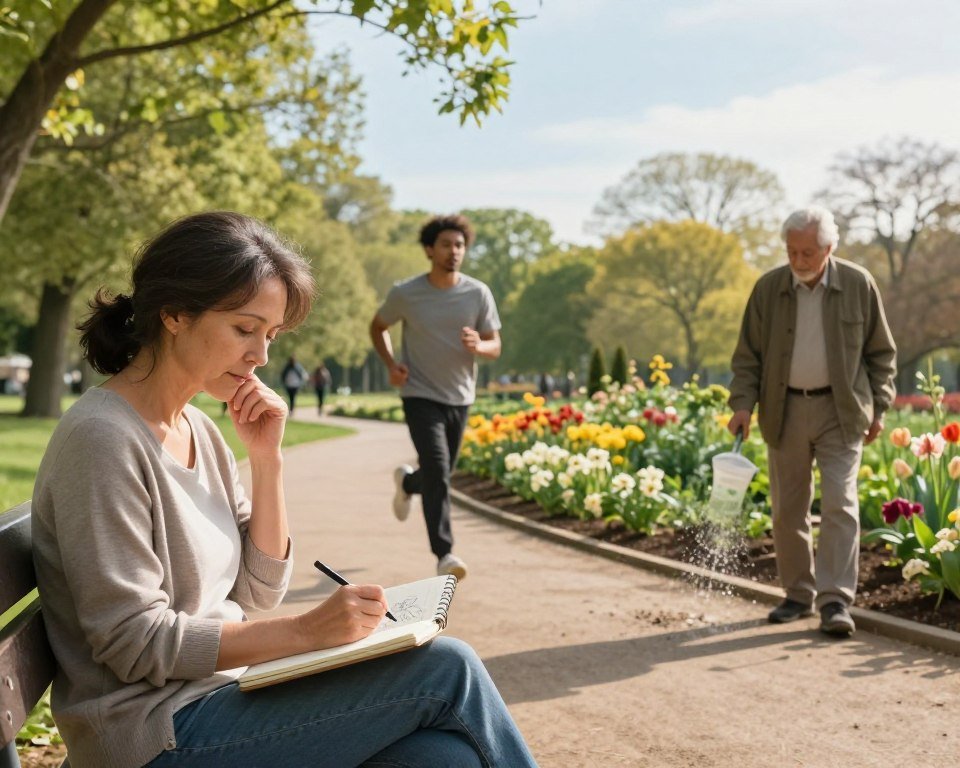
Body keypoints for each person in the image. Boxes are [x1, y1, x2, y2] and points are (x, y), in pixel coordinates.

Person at [31, 211, 537, 768]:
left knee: (444, 759)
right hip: (153, 737)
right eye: (244, 329)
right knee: (448, 667)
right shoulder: (103, 440)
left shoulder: (197, 428)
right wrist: (306, 632)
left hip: (224, 700)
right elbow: (133, 642)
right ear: (174, 313)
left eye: (269, 335)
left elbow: (256, 593)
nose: (261, 356)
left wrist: (267, 461)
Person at [727, 206, 897, 637]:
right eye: (792, 252)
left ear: (828, 249)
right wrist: (742, 404)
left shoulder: (858, 284)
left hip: (842, 411)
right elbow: (748, 357)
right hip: (784, 410)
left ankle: (835, 600)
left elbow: (881, 354)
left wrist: (879, 405)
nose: (799, 261)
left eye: (808, 252)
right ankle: (798, 595)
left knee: (841, 502)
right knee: (788, 509)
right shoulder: (768, 289)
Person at [370, 214, 502, 580]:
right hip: (419, 394)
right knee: (440, 470)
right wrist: (391, 363)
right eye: (446, 245)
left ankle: (410, 483)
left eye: (459, 245)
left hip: (460, 396)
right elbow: (378, 326)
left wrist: (481, 344)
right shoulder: (406, 293)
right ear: (430, 250)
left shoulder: (478, 293)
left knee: (439, 473)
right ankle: (444, 553)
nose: (454, 251)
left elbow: (495, 346)